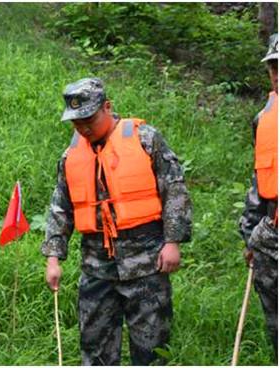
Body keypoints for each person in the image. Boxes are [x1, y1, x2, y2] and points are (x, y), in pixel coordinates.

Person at [41, 77, 192, 365]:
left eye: (89, 119)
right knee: (95, 350)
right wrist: (53, 258)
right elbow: (60, 208)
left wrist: (173, 242)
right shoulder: (71, 156)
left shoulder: (146, 139)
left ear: (107, 107)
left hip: (147, 263)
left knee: (152, 350)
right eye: (77, 122)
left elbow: (174, 190)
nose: (83, 128)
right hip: (97, 268)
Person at [239, 33, 277, 358]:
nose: (278, 74)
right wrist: (250, 232)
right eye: (273, 67)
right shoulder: (264, 120)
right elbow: (261, 179)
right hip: (272, 236)